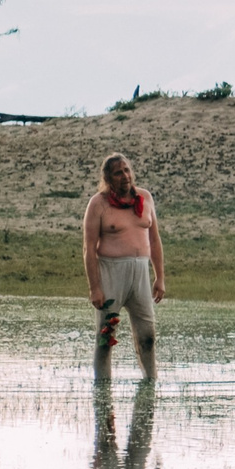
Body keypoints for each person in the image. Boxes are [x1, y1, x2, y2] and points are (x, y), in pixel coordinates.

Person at [83, 153, 165, 383]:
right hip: (111, 274)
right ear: (108, 178)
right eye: (118, 173)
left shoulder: (145, 198)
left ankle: (150, 383)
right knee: (105, 336)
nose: (125, 176)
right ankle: (102, 387)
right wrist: (95, 288)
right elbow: (89, 248)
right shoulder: (98, 204)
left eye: (127, 170)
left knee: (147, 335)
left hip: (140, 273)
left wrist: (159, 277)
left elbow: (155, 240)